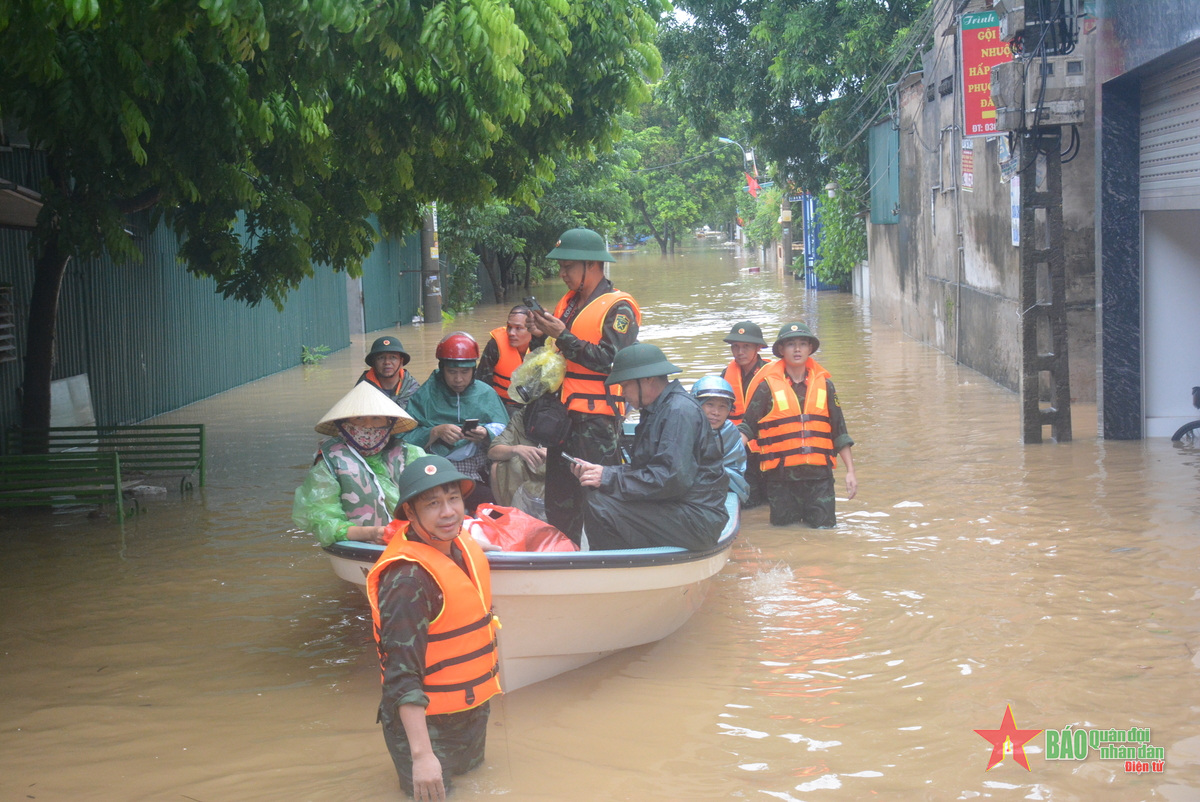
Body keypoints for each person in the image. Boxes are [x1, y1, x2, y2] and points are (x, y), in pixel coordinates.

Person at [366, 455, 502, 800]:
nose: (448, 512)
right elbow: (401, 674)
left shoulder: (460, 543)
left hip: (469, 711)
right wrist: (422, 756)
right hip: (426, 725)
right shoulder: (407, 581)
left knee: (474, 785)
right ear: (410, 514)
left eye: (453, 498)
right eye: (433, 504)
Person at [527, 228, 640, 544]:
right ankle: (566, 560)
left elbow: (612, 360)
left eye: (568, 266)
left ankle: (608, 565)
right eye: (561, 267)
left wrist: (562, 334)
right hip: (562, 421)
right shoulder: (568, 303)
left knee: (598, 502)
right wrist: (540, 333)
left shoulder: (620, 308)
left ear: (592, 264)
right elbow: (555, 355)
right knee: (560, 504)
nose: (562, 273)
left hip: (597, 423)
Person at [571, 343, 728, 551]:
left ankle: (612, 570)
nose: (623, 393)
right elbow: (648, 470)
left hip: (698, 517)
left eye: (625, 385)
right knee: (598, 493)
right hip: (678, 504)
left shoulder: (678, 412)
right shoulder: (657, 410)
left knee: (601, 504)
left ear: (647, 380)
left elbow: (670, 480)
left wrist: (609, 477)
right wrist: (602, 473)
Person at [738, 322, 858, 528]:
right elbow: (747, 429)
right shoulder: (766, 387)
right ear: (781, 350)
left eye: (803, 344)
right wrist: (722, 457)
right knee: (785, 536)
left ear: (810, 349)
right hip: (781, 481)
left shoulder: (826, 386)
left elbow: (840, 432)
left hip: (819, 480)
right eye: (791, 344)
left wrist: (850, 471)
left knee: (825, 533)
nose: (797, 349)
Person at [292, 382, 425, 546]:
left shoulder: (410, 454)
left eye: (376, 418)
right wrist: (372, 533)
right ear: (345, 424)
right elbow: (323, 520)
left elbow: (434, 499)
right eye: (359, 418)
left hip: (416, 540)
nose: (368, 426)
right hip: (365, 543)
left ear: (389, 422)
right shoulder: (329, 462)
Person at [403, 332, 509, 511]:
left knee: (489, 505)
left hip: (477, 465)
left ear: (474, 370)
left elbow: (506, 431)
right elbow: (403, 438)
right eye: (452, 372)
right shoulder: (425, 395)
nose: (458, 379)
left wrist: (485, 433)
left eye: (465, 372)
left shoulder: (486, 393)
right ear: (441, 369)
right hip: (436, 465)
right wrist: (435, 432)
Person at [722, 320, 770, 508]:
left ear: (758, 348)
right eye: (735, 347)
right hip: (740, 451)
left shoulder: (772, 374)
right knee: (748, 502)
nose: (740, 352)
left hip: (768, 450)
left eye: (746, 347)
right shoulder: (726, 374)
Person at [691, 375, 749, 508]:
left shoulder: (730, 432)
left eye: (722, 406)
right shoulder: (682, 427)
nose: (716, 412)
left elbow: (736, 471)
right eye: (710, 404)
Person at [476, 305, 545, 411]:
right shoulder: (495, 345)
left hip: (534, 407)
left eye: (518, 328)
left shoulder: (544, 345)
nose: (511, 333)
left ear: (532, 329)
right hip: (502, 406)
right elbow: (482, 382)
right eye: (509, 327)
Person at [486, 405, 547, 519]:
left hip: (559, 472)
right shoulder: (527, 413)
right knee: (498, 466)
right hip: (526, 472)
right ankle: (512, 518)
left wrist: (555, 455)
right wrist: (516, 449)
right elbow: (493, 451)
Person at [358, 335, 420, 410]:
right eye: (381, 358)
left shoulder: (414, 390)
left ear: (401, 361)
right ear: (373, 362)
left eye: (393, 357)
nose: (387, 362)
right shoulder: (361, 390)